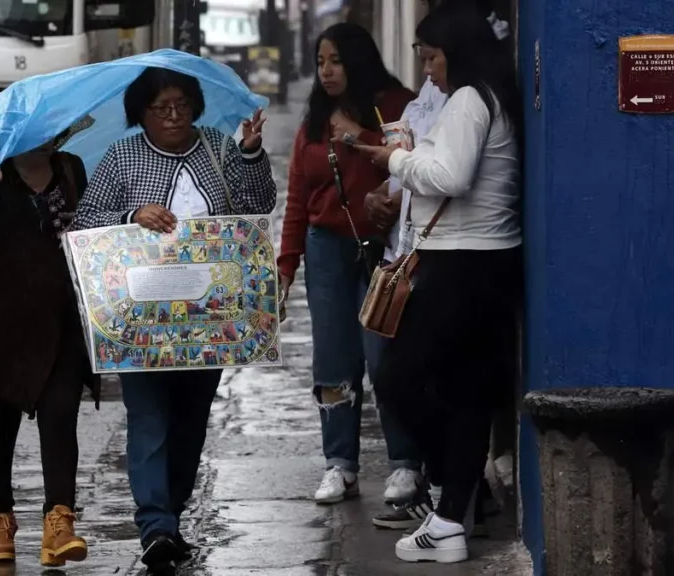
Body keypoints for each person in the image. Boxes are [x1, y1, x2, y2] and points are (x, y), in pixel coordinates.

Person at [71, 67, 275, 574]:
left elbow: (257, 207)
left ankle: (173, 517)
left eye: (182, 104)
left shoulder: (219, 148)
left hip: (210, 322)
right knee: (149, 419)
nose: (173, 115)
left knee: (190, 421)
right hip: (140, 324)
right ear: (141, 113)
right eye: (161, 107)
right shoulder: (122, 156)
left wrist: (250, 153)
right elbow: (85, 225)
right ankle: (155, 524)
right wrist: (131, 216)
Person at [354, 1, 523, 564]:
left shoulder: (471, 100)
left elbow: (451, 175)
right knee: (466, 393)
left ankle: (454, 489)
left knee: (400, 377)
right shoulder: (489, 97)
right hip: (487, 261)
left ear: (459, 53)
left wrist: (399, 158)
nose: (426, 69)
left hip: (460, 263)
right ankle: (451, 517)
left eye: (432, 57)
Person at [276, 22, 419, 506]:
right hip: (327, 249)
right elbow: (298, 193)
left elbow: (414, 164)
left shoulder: (397, 104)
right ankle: (340, 463)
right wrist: (287, 263)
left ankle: (405, 463)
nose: (327, 71)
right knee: (333, 360)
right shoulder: (315, 117)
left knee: (386, 357)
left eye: (335, 60)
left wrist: (359, 136)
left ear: (357, 59)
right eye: (320, 62)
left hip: (385, 248)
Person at [0, 117, 97, 567]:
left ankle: (59, 522)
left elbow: (90, 232)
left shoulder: (72, 168)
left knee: (61, 415)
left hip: (61, 321)